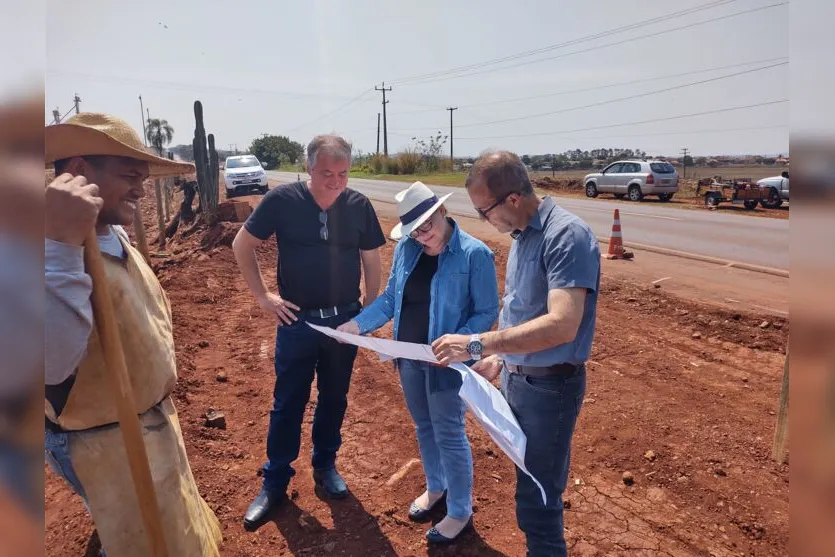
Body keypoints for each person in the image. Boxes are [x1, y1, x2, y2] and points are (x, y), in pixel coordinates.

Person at [44, 113, 223, 556]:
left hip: (148, 422)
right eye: (129, 176)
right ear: (81, 173)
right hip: (101, 439)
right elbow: (48, 363)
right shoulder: (42, 252)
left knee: (163, 527)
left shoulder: (113, 232)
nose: (141, 189)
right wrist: (60, 246)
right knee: (138, 539)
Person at [432, 151, 600, 557]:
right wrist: (504, 359)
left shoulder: (567, 236)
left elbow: (562, 324)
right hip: (520, 379)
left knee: (539, 502)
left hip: (550, 390)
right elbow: (523, 309)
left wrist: (478, 344)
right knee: (529, 489)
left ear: (511, 199)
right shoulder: (524, 235)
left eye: (484, 210)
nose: (483, 219)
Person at [233, 134, 386, 530]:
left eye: (343, 174)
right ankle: (275, 481)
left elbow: (371, 260)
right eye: (326, 173)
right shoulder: (282, 201)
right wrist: (264, 297)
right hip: (298, 323)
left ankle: (325, 465)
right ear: (309, 168)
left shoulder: (358, 206)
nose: (335, 182)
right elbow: (241, 244)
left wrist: (368, 312)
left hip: (344, 323)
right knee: (288, 402)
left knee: (334, 397)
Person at [337, 181, 499, 543]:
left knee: (450, 433)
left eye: (427, 225)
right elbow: (392, 299)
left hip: (446, 363)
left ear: (442, 211)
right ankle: (436, 488)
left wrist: (461, 346)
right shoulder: (407, 250)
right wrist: (357, 324)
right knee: (424, 428)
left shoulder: (475, 254)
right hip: (409, 359)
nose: (423, 235)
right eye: (415, 230)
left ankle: (459, 510)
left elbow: (487, 311)